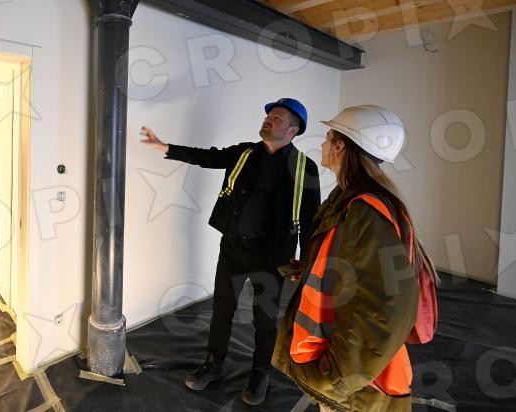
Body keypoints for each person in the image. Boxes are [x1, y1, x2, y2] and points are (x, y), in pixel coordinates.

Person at [140, 98, 321, 405]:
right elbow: (207, 157)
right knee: (222, 310)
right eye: (268, 115)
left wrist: (305, 263)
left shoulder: (306, 169)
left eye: (277, 117)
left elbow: (310, 219)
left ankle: (260, 374)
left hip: (272, 259)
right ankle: (214, 364)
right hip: (233, 249)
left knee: (265, 320)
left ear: (293, 130)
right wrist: (165, 148)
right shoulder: (244, 153)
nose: (268, 119)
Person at [272, 105, 438, 411]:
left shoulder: (365, 211)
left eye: (328, 137)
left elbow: (386, 310)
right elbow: (352, 267)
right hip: (351, 379)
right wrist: (309, 269)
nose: (323, 143)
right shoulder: (347, 198)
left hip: (359, 391)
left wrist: (337, 379)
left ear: (341, 146)